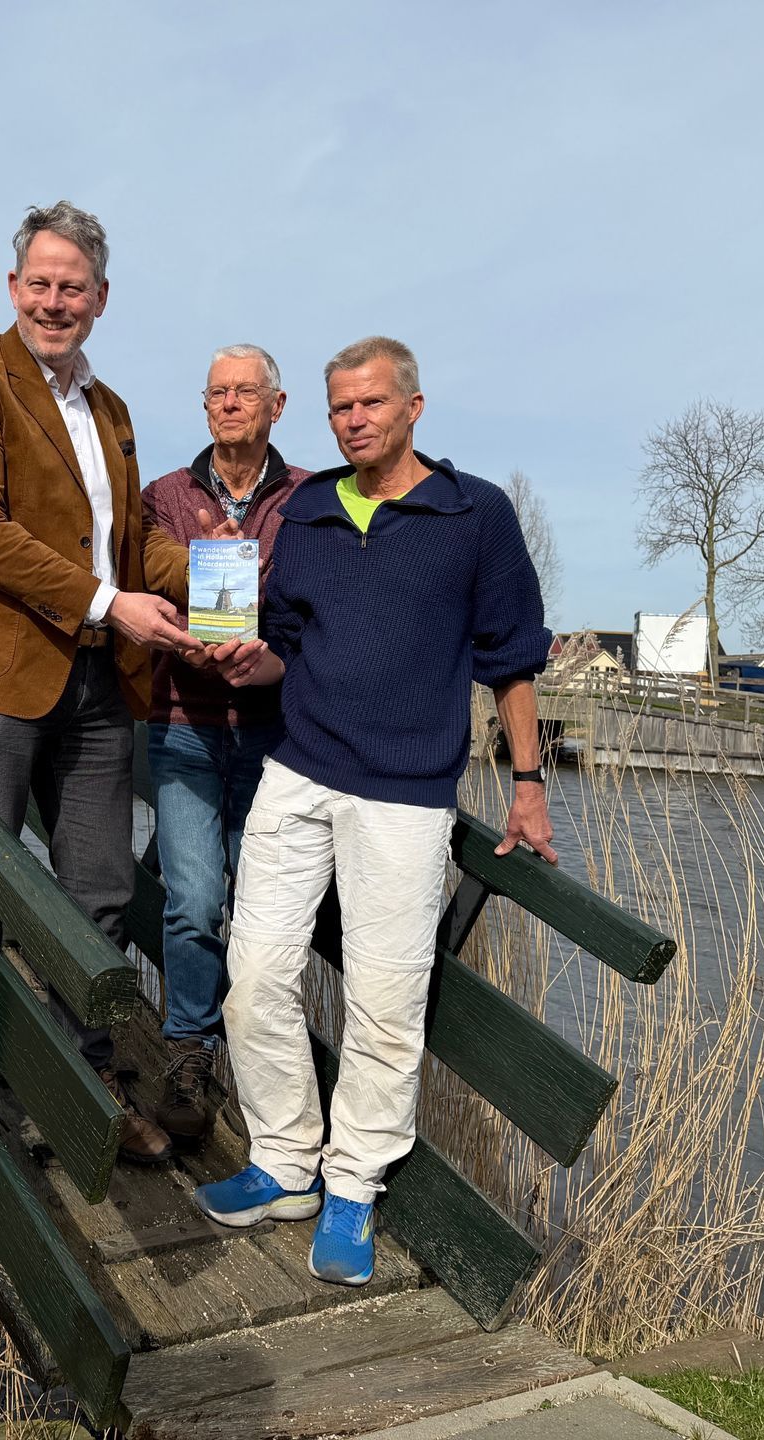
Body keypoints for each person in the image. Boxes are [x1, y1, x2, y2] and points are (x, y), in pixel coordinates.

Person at [191, 336, 554, 1283]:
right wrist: (239, 658)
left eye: (371, 405)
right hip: (299, 770)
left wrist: (528, 785)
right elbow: (285, 647)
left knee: (384, 1001)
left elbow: (511, 658)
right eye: (340, 408)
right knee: (256, 970)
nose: (354, 421)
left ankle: (352, 1184)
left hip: (404, 794)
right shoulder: (308, 510)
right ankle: (283, 1160)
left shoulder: (474, 515)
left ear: (414, 408)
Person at [0, 201, 205, 1165]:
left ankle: (83, 1075)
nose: (54, 300)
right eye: (40, 282)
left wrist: (236, 576)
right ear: (13, 285)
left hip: (98, 682)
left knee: (98, 884)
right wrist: (112, 604)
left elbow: (132, 541)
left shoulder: (110, 410)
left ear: (101, 299)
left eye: (73, 286)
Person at [139, 344, 309, 1144]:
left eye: (249, 392)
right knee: (196, 901)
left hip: (276, 735)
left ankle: (263, 1064)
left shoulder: (312, 499)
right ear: (203, 405)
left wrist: (267, 644)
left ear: (279, 405)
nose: (232, 403)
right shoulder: (164, 496)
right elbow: (140, 578)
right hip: (185, 727)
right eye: (219, 392)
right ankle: (189, 1055)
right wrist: (180, 634)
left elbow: (320, 605)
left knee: (265, 914)